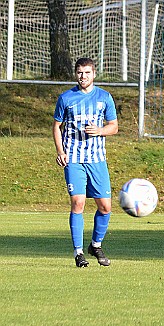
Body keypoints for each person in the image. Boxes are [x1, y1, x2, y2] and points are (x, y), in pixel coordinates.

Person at [52, 57, 118, 268]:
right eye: (80, 73)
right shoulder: (66, 98)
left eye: (87, 73)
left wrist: (99, 131)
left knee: (105, 207)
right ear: (76, 74)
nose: (83, 76)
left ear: (94, 74)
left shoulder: (104, 98)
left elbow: (114, 127)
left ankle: (95, 245)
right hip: (74, 159)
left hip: (97, 160)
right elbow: (56, 127)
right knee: (78, 203)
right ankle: (79, 252)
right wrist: (61, 151)